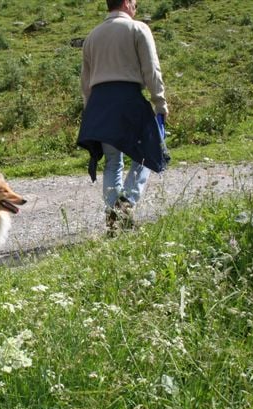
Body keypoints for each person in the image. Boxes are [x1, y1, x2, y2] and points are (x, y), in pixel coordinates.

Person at [77, 0, 169, 234]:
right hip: (128, 99)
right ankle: (126, 202)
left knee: (112, 162)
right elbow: (152, 69)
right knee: (148, 154)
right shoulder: (138, 29)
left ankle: (114, 216)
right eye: (135, 3)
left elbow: (85, 83)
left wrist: (91, 112)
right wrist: (160, 102)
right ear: (127, 3)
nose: (136, 7)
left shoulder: (92, 36)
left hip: (99, 105)